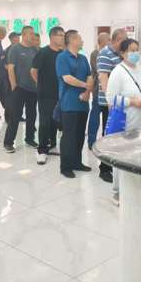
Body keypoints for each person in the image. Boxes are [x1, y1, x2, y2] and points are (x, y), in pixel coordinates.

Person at [106, 38, 141, 204]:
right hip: (124, 120)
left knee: (136, 155)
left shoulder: (140, 69)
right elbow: (110, 98)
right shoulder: (118, 71)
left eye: (137, 49)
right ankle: (116, 191)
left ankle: (132, 189)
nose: (135, 53)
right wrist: (131, 102)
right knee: (121, 156)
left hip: (139, 120)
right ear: (122, 53)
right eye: (131, 50)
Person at [56, 30, 93, 179]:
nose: (82, 40)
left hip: (83, 103)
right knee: (69, 136)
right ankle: (66, 166)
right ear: (72, 40)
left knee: (79, 135)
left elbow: (90, 76)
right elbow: (67, 78)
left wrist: (87, 92)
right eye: (80, 38)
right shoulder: (62, 57)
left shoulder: (83, 58)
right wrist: (85, 85)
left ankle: (77, 162)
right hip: (69, 103)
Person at [97, 28, 127, 182]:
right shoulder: (105, 53)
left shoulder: (121, 54)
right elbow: (103, 78)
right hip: (109, 102)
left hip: (122, 101)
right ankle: (104, 169)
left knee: (119, 135)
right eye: (123, 40)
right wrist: (110, 101)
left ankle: (115, 164)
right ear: (116, 40)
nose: (126, 42)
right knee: (109, 135)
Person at [31, 26, 65, 164]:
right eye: (60, 35)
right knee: (45, 122)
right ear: (52, 37)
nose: (63, 38)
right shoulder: (43, 52)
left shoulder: (62, 53)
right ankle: (42, 150)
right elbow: (33, 71)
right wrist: (40, 84)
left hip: (60, 94)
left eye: (63, 35)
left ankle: (52, 145)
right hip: (45, 94)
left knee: (55, 121)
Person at [4, 26, 38, 152]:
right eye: (30, 34)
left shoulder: (34, 49)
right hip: (19, 88)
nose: (33, 36)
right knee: (15, 116)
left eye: (33, 34)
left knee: (32, 115)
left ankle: (29, 138)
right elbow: (11, 68)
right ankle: (8, 142)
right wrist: (14, 85)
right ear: (24, 35)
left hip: (33, 89)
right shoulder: (15, 48)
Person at [87, 32, 111, 149]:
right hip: (98, 91)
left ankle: (106, 140)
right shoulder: (95, 54)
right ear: (102, 42)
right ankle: (91, 141)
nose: (110, 42)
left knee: (107, 118)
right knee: (95, 117)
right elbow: (101, 71)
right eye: (108, 40)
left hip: (109, 92)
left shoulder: (110, 54)